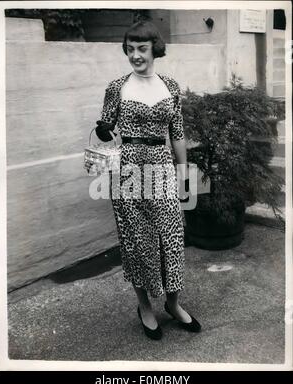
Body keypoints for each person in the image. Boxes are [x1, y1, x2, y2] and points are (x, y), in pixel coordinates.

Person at [95, 20, 201, 340]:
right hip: (127, 170)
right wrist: (103, 129)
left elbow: (177, 133)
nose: (135, 56)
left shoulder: (170, 86)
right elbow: (105, 129)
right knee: (137, 241)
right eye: (130, 49)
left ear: (155, 48)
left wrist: (183, 172)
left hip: (162, 168)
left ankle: (172, 303)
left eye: (142, 48)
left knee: (170, 237)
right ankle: (144, 306)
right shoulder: (117, 87)